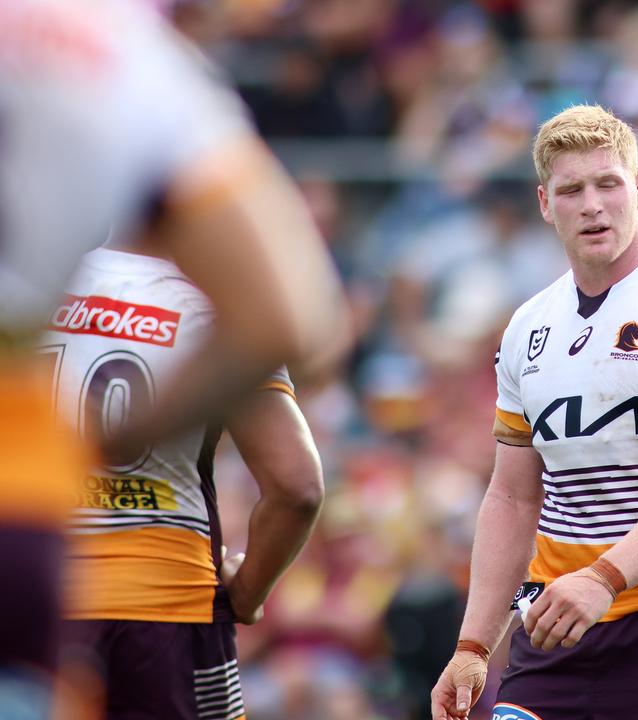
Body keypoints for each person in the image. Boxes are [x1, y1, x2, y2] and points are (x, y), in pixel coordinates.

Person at [0, 0, 347, 711]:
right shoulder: (131, 59)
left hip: (37, 560)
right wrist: (245, 594)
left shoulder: (62, 279)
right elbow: (296, 483)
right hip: (159, 604)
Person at [431, 104, 638, 720]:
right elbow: (512, 497)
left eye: (608, 184)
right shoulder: (526, 327)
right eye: (572, 189)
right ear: (544, 203)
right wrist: (474, 645)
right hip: (556, 628)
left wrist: (604, 577)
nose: (592, 204)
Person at [47, 238, 325, 719]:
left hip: (35, 600)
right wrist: (247, 593)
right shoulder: (221, 310)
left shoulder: (35, 287)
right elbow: (296, 487)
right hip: (167, 611)